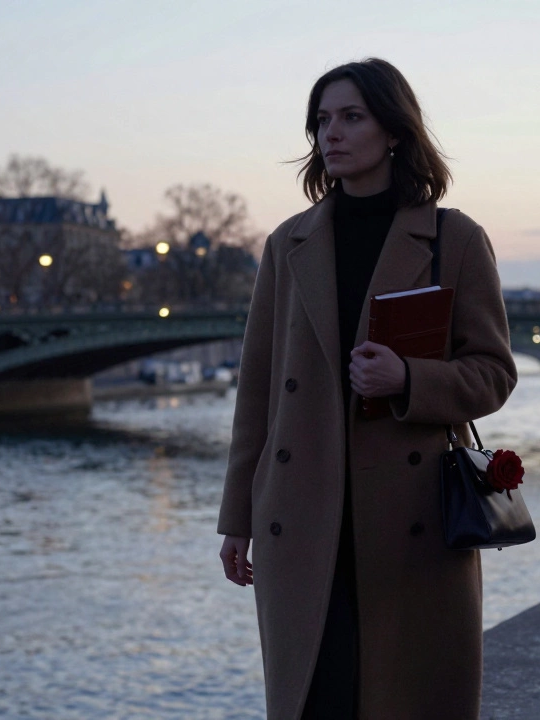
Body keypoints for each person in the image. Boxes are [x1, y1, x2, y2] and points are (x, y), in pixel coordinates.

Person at [217, 58, 518, 719]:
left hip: (409, 522)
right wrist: (237, 520)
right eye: (322, 120)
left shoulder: (454, 239)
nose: (332, 133)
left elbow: (494, 372)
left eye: (351, 117)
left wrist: (409, 378)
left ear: (394, 131)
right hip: (300, 515)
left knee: (402, 699)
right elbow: (259, 395)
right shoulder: (287, 244)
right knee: (317, 697)